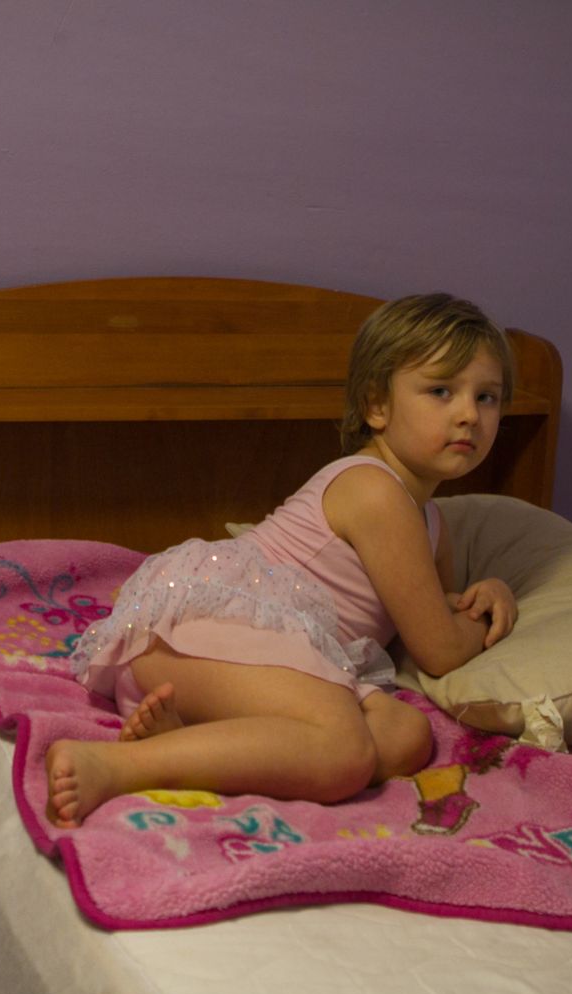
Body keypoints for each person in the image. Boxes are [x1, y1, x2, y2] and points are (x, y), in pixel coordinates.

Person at [46, 293, 520, 828]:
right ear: (377, 406)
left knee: (406, 735)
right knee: (345, 752)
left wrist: (481, 595)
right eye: (441, 391)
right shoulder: (375, 492)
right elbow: (440, 649)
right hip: (204, 634)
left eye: (487, 397)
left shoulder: (431, 521)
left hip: (261, 667)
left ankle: (202, 743)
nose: (469, 415)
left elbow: (430, 615)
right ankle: (117, 767)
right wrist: (490, 615)